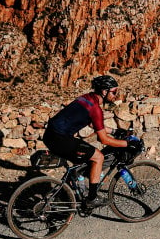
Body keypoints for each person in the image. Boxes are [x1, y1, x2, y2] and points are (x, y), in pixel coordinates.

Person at [42, 74, 141, 210]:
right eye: (113, 92)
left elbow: (95, 125)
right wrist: (128, 144)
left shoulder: (87, 98)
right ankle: (92, 198)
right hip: (60, 138)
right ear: (104, 91)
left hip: (51, 135)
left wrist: (115, 131)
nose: (115, 95)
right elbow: (103, 139)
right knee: (98, 157)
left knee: (82, 158)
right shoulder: (95, 108)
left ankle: (71, 192)